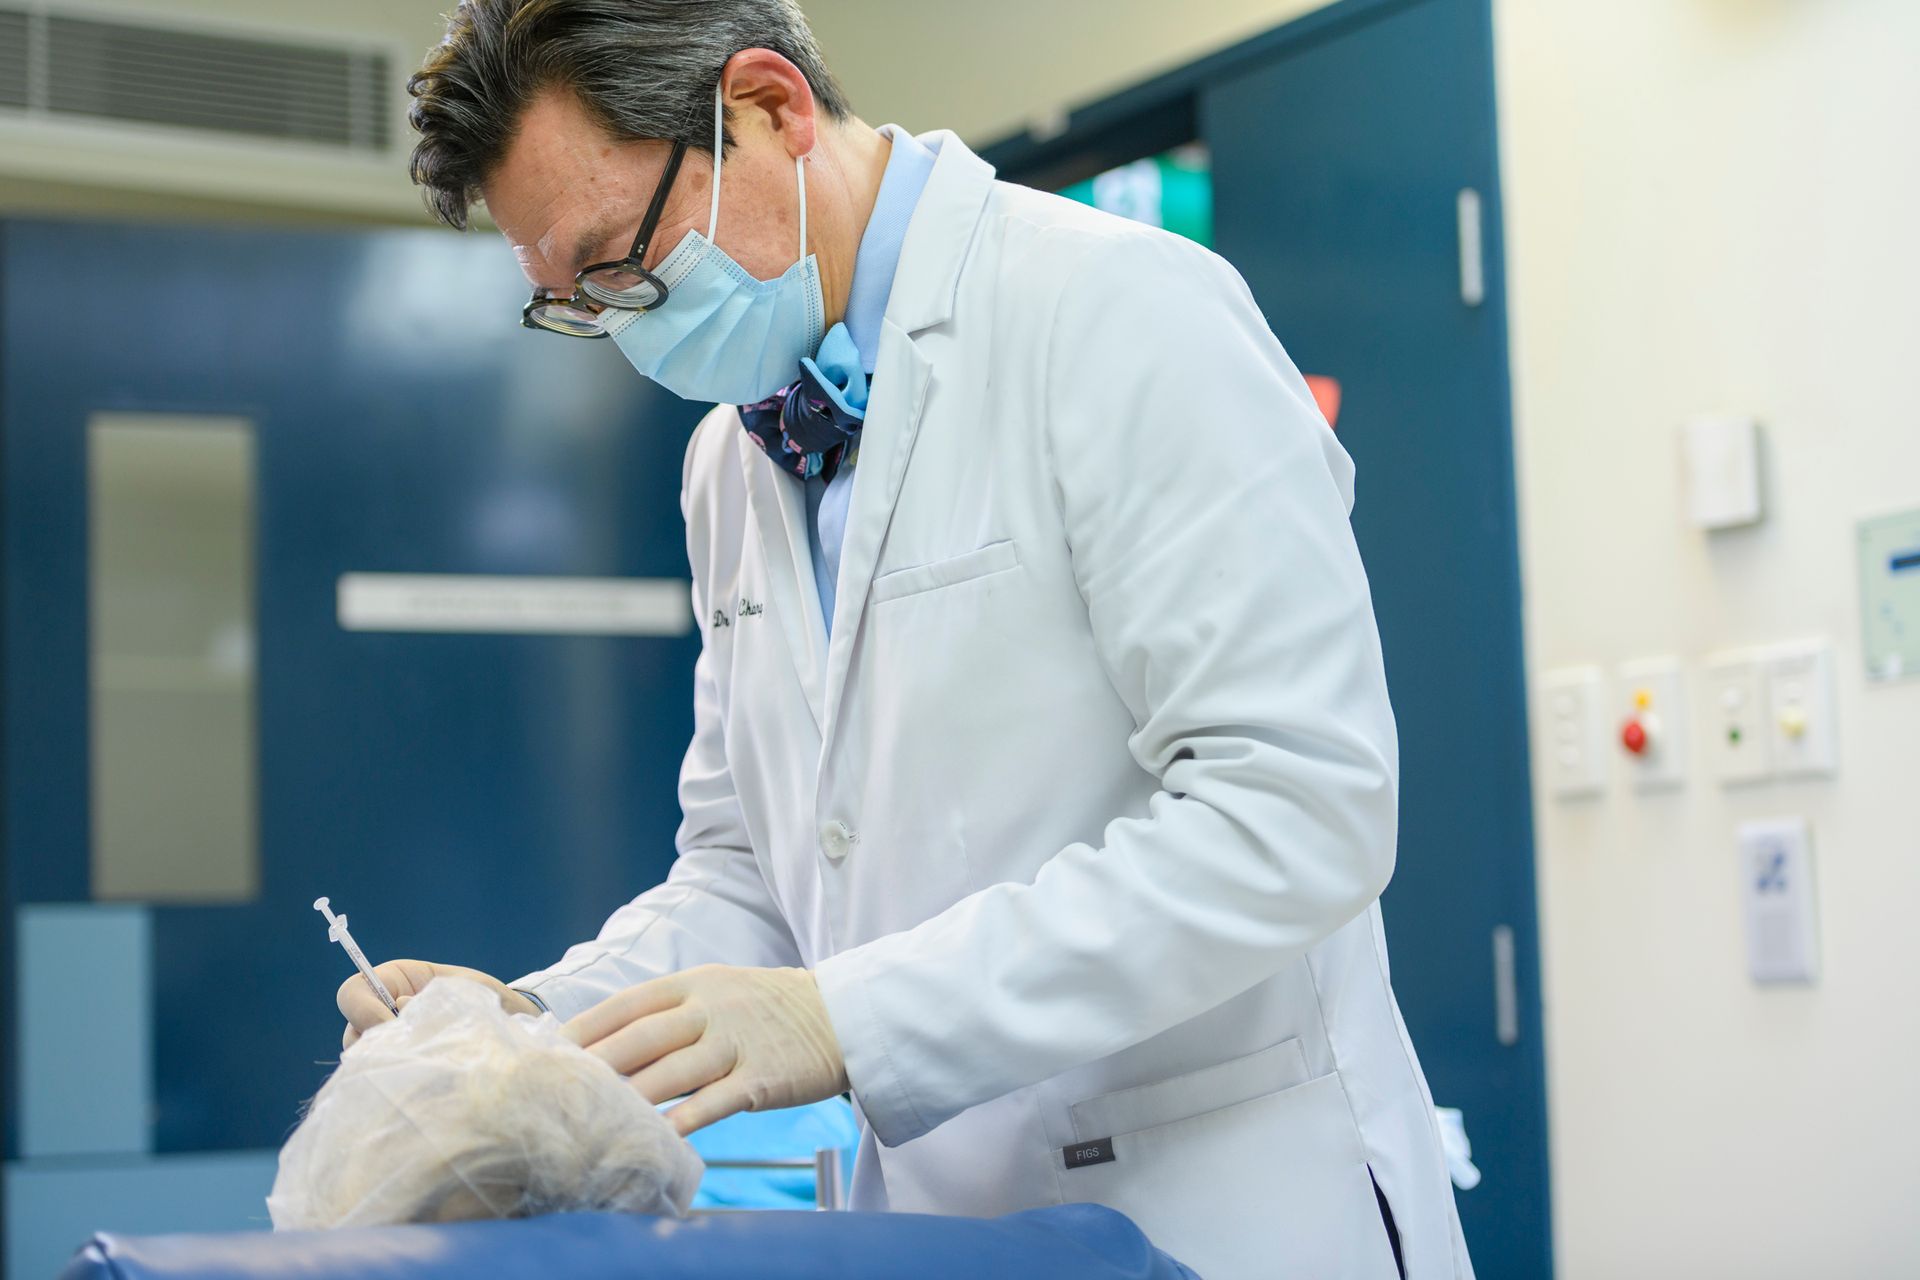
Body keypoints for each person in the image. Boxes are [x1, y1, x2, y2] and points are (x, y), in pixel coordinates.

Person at [340, 3, 1473, 1276]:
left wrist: (843, 1016)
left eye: (622, 263)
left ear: (770, 108)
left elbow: (1298, 808)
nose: (624, 323)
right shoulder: (737, 452)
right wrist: (531, 1027)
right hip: (951, 1230)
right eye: (573, 302)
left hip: (1224, 1207)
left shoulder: (1117, 312)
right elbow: (752, 873)